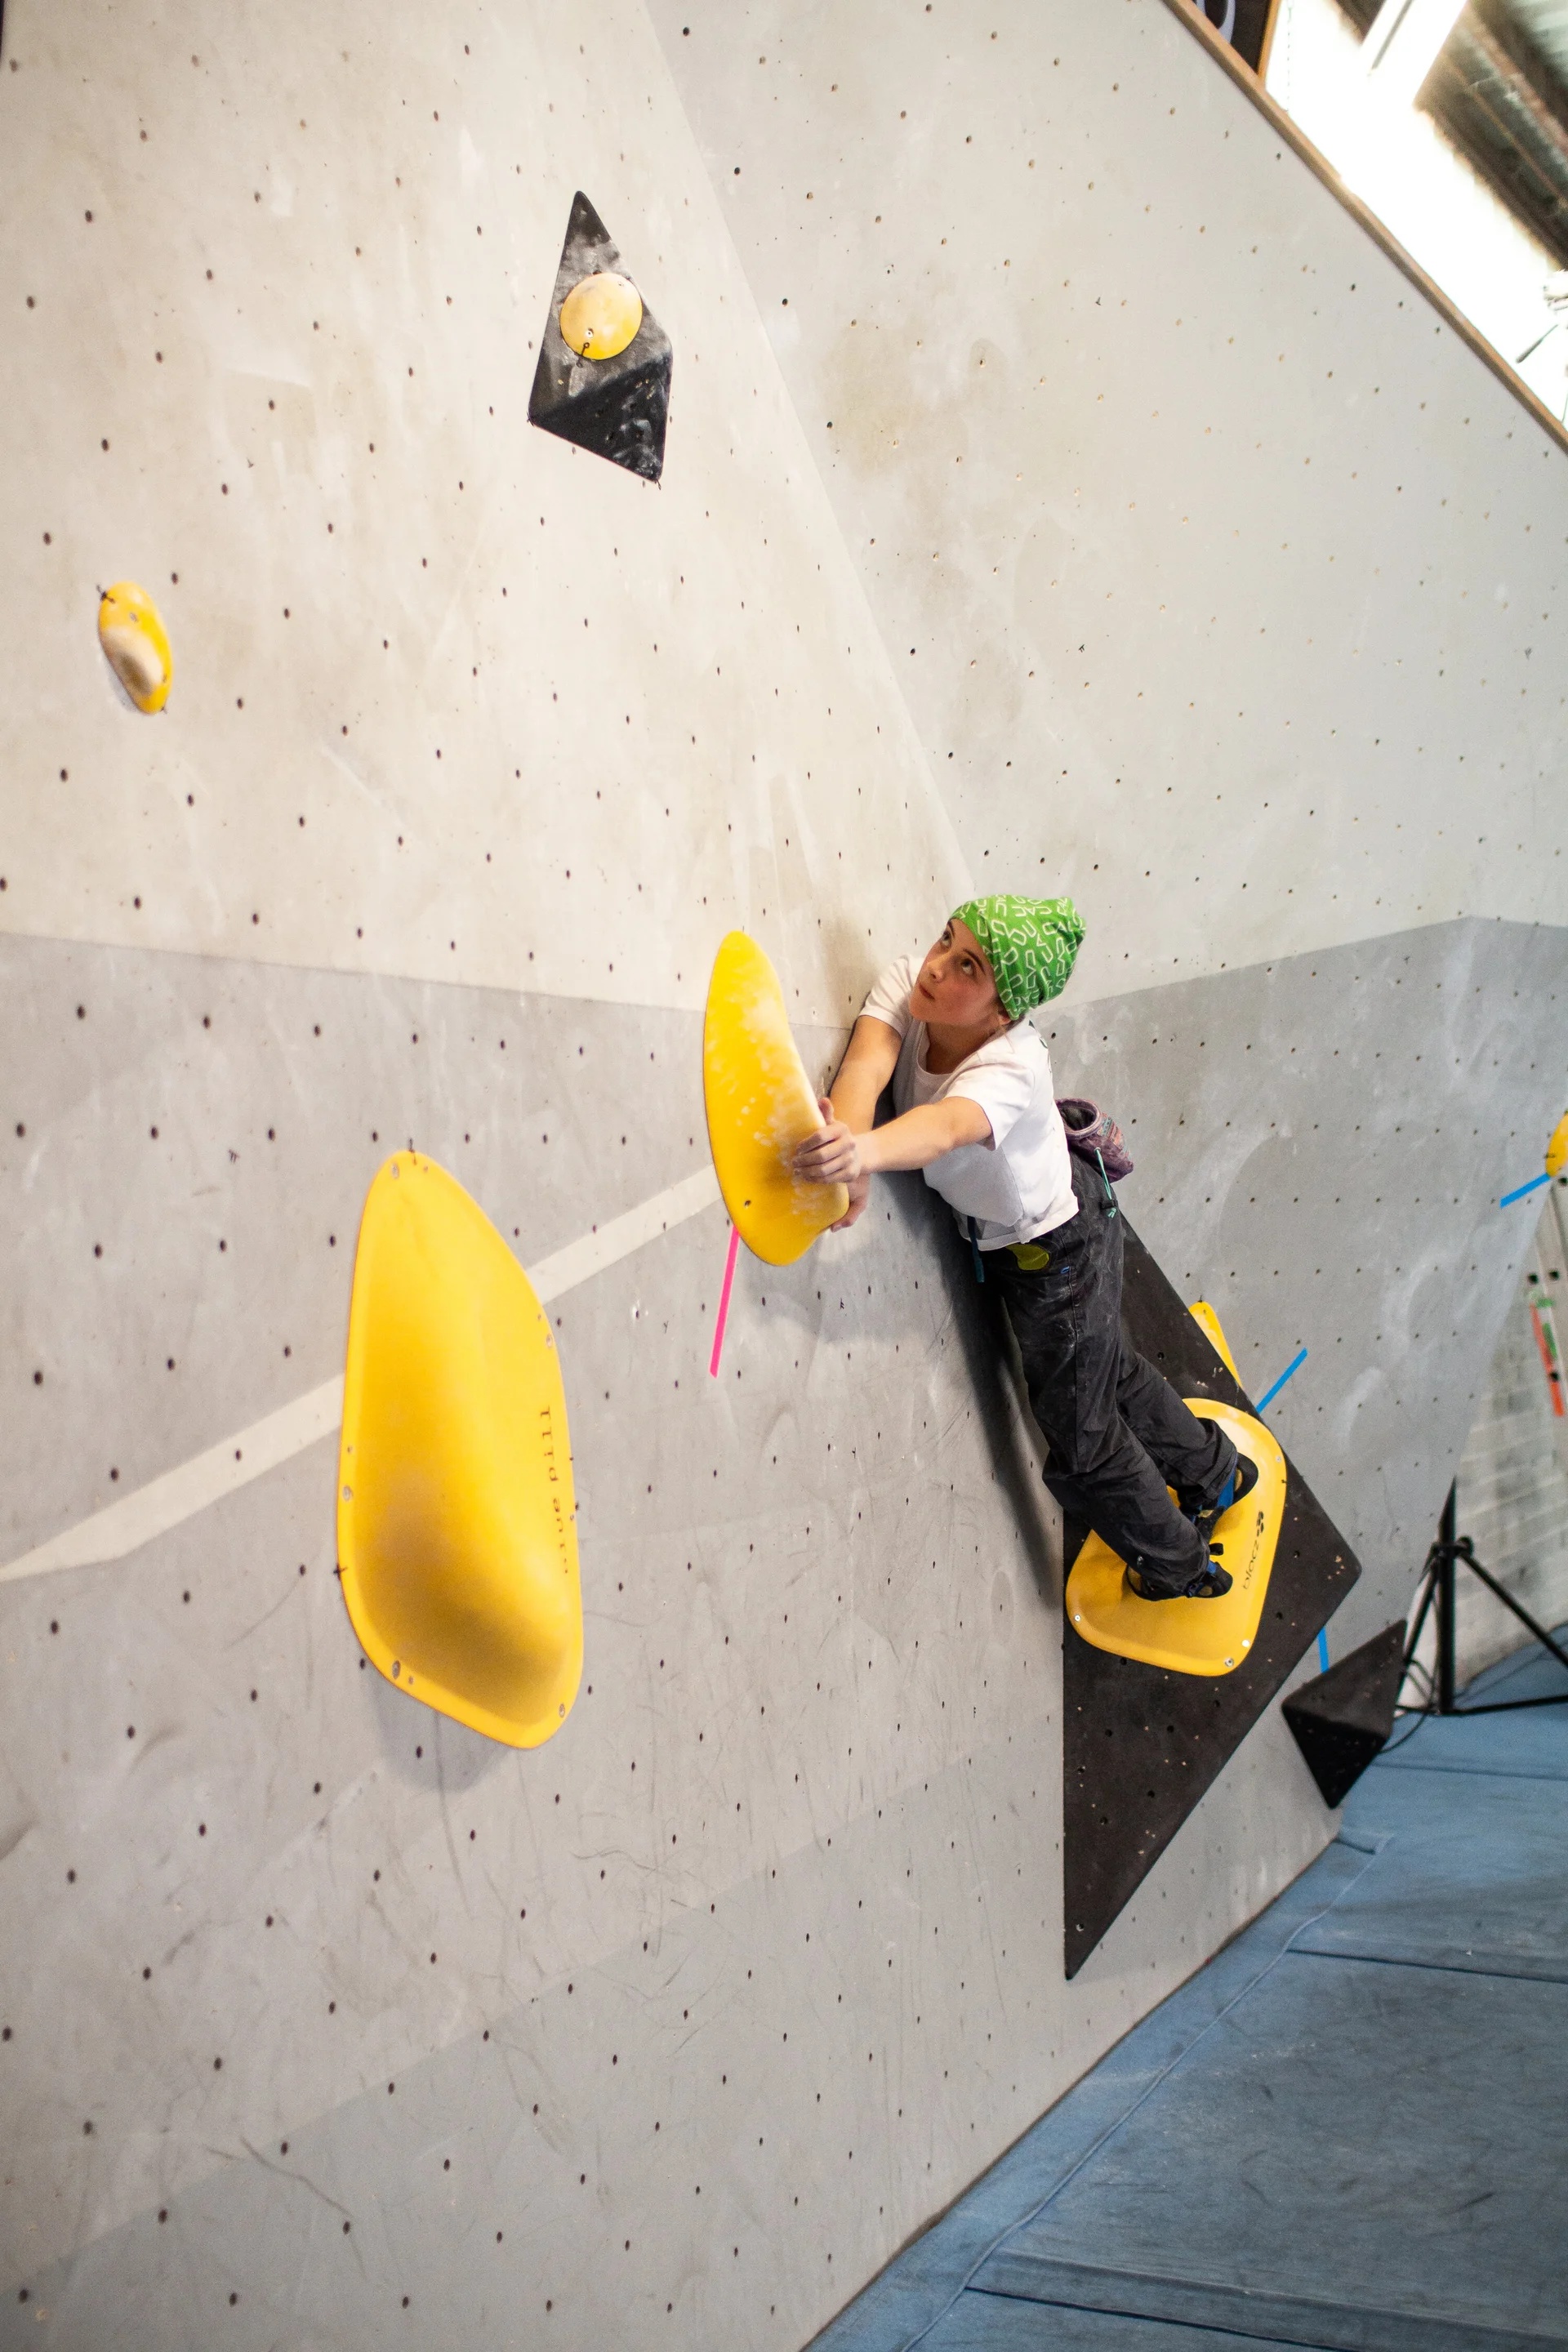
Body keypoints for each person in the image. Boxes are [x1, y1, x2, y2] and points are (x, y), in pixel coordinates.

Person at [792, 895, 1254, 1600]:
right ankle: (1217, 1476)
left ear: (1002, 1012)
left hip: (1056, 1257)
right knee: (1111, 1372)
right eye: (948, 940)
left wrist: (865, 1153)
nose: (939, 967)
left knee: (1085, 1439)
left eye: (968, 966)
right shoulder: (913, 983)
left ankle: (1179, 1566)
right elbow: (866, 1066)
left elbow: (945, 1127)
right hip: (1059, 1225)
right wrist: (852, 1160)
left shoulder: (1010, 1072)